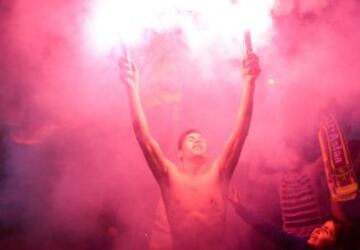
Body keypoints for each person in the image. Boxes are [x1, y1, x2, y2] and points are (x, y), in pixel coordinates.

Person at [120, 48, 260, 250]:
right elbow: (145, 139)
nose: (197, 140)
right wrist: (131, 88)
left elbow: (240, 134)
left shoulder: (219, 173)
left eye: (201, 138)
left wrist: (249, 83)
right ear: (179, 154)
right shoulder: (168, 176)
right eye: (191, 139)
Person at [229, 187, 344, 250]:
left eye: (326, 231)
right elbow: (270, 231)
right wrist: (241, 209)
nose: (318, 230)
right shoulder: (301, 245)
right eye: (322, 227)